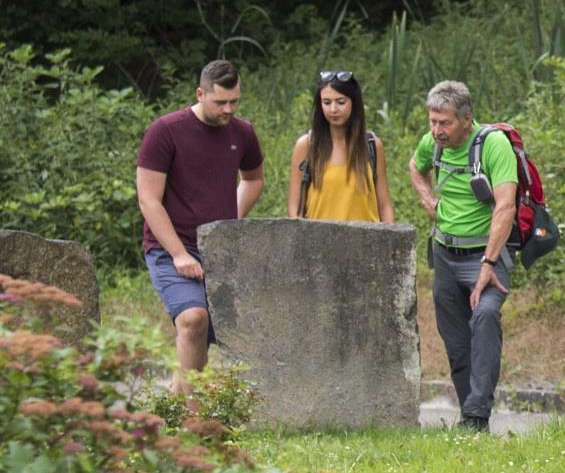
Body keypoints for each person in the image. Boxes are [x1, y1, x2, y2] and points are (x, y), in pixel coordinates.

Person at [134, 59, 266, 393]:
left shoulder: (243, 133)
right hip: (170, 248)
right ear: (200, 93)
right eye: (220, 101)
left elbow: (253, 179)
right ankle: (193, 420)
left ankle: (179, 409)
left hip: (218, 249)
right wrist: (179, 254)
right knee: (193, 319)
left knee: (204, 334)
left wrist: (229, 221)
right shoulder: (165, 131)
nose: (228, 109)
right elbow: (149, 200)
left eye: (234, 101)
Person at [406, 80, 516, 433]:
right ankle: (472, 421)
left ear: (467, 119)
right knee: (455, 341)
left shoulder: (493, 145)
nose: (437, 131)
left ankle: (477, 413)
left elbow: (506, 206)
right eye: (433, 122)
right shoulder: (431, 143)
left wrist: (488, 263)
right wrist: (427, 198)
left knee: (484, 318)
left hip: (487, 254)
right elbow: (415, 166)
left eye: (446, 123)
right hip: (445, 256)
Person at [286, 69, 395, 224]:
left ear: (354, 103)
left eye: (341, 102)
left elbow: (384, 206)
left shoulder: (371, 145)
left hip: (366, 242)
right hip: (318, 242)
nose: (333, 110)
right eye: (327, 102)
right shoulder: (306, 145)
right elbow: (294, 209)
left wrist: (390, 239)